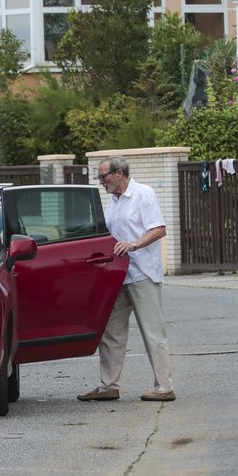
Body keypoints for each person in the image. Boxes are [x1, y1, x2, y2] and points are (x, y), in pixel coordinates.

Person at [78, 155, 176, 402]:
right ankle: (108, 385)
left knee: (153, 331)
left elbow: (158, 229)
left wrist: (133, 245)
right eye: (99, 177)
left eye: (104, 176)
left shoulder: (144, 194)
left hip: (142, 273)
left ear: (119, 173)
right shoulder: (113, 201)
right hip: (118, 276)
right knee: (111, 331)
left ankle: (164, 387)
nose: (101, 181)